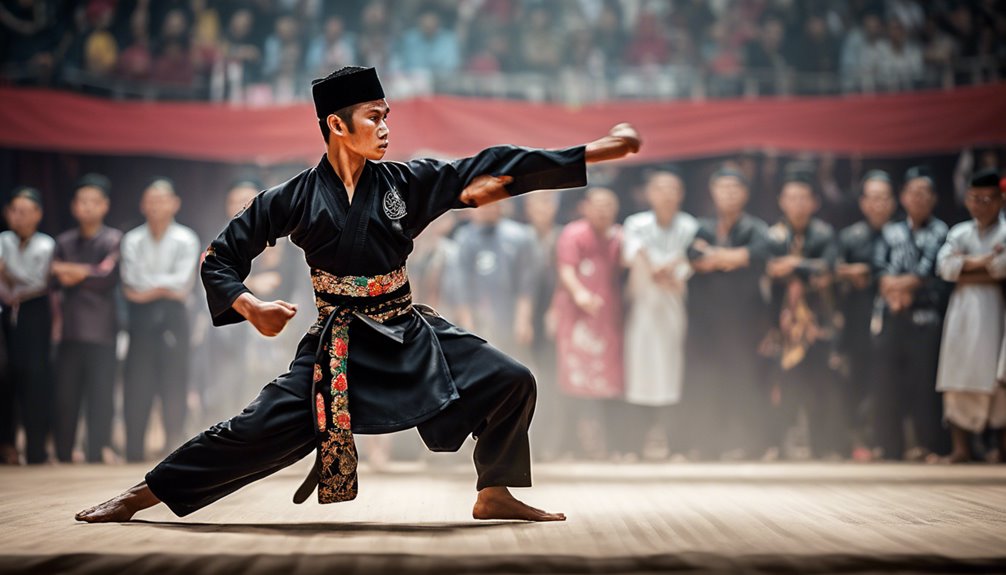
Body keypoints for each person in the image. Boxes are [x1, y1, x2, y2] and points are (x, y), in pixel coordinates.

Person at [76, 66, 640, 523]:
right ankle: (143, 494)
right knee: (253, 431)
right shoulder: (292, 197)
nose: (386, 127)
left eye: (387, 116)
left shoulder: (404, 183)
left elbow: (491, 163)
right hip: (338, 345)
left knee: (510, 379)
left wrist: (591, 152)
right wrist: (250, 306)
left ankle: (494, 490)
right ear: (337, 126)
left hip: (407, 330)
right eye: (375, 117)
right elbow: (220, 258)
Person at [687, 167, 769, 460]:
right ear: (712, 191)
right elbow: (694, 259)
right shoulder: (703, 226)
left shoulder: (756, 227)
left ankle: (750, 445)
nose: (728, 194)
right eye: (722, 188)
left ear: (745, 194)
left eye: (735, 188)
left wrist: (718, 256)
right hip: (706, 320)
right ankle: (709, 446)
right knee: (708, 382)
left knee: (744, 381)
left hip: (745, 319)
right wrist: (734, 258)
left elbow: (759, 254)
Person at [762, 172, 844, 459]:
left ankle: (823, 447)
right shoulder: (773, 235)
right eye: (792, 198)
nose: (797, 204)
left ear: (815, 203)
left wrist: (795, 263)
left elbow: (829, 268)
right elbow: (769, 269)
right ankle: (778, 446)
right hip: (783, 322)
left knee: (820, 385)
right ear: (782, 202)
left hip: (818, 320)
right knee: (782, 386)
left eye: (803, 198)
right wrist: (807, 269)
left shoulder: (824, 233)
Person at [120, 179, 201, 462]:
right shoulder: (132, 239)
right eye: (150, 199)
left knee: (174, 382)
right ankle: (133, 452)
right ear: (143, 205)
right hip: (140, 319)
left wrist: (146, 290)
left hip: (174, 317)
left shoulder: (186, 238)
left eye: (162, 199)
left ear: (175, 203)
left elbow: (182, 283)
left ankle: (175, 452)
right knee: (137, 383)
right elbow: (131, 280)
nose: (156, 205)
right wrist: (162, 288)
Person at [872, 166, 950, 461]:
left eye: (924, 193)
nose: (918, 198)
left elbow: (932, 270)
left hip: (926, 318)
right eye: (912, 192)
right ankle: (890, 447)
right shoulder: (891, 231)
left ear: (933, 198)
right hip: (892, 314)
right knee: (887, 383)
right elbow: (879, 267)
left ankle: (929, 445)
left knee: (924, 384)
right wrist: (892, 290)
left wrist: (905, 287)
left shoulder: (941, 231)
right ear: (902, 197)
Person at [621, 170, 698, 459]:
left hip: (675, 310)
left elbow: (690, 260)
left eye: (672, 189)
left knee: (673, 375)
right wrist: (656, 267)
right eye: (660, 189)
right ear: (649, 193)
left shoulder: (690, 225)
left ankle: (676, 446)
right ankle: (633, 447)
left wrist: (669, 269)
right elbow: (633, 254)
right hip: (642, 308)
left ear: (681, 194)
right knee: (639, 374)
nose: (666, 195)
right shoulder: (636, 223)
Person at [934, 168, 1006, 463]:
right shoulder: (959, 232)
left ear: (1000, 200)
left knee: (998, 379)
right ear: (967, 200)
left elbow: (1001, 270)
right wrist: (983, 262)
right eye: (975, 198)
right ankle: (961, 448)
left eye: (988, 199)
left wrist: (966, 267)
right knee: (956, 372)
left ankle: (1000, 447)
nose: (981, 204)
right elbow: (944, 268)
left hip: (996, 308)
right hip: (961, 310)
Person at [51, 174, 123, 464]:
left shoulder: (114, 239)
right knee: (66, 397)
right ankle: (63, 453)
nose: (88, 207)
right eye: (82, 201)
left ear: (105, 205)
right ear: (73, 206)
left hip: (104, 328)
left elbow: (106, 276)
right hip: (69, 329)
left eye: (94, 201)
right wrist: (86, 272)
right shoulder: (63, 241)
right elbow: (54, 277)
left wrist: (73, 273)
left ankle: (96, 452)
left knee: (101, 396)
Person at [552, 188, 624, 459]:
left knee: (607, 383)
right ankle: (571, 446)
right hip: (576, 317)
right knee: (574, 382)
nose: (603, 210)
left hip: (608, 317)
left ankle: (605, 447)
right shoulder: (573, 233)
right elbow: (566, 269)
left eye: (609, 204)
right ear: (586, 207)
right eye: (598, 204)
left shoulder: (619, 236)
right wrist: (580, 294)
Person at [834, 170, 897, 460]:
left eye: (883, 198)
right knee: (856, 381)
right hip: (858, 320)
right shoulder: (849, 236)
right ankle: (857, 439)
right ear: (862, 203)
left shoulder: (901, 235)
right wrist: (849, 274)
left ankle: (888, 440)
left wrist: (869, 274)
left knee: (887, 384)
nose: (878, 204)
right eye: (872, 198)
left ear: (894, 202)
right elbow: (833, 271)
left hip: (896, 320)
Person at [0, 187, 55, 465]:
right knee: (5, 378)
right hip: (4, 312)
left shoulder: (45, 244)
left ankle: (36, 449)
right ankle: (7, 445)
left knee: (35, 377)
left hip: (34, 313)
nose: (17, 217)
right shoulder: (3, 240)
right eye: (13, 210)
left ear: (37, 214)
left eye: (24, 211)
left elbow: (36, 282)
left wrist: (7, 272)